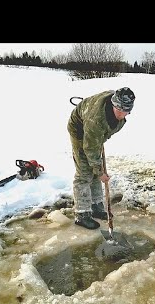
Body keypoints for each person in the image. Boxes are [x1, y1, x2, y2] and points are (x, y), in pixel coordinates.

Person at [67, 87, 136, 229]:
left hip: (94, 132)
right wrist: (100, 172)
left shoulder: (117, 106)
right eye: (120, 110)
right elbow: (90, 147)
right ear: (113, 105)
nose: (123, 115)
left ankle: (96, 206)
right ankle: (82, 214)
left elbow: (99, 138)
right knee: (85, 172)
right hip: (79, 130)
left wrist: (98, 170)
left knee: (96, 170)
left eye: (126, 111)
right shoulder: (96, 121)